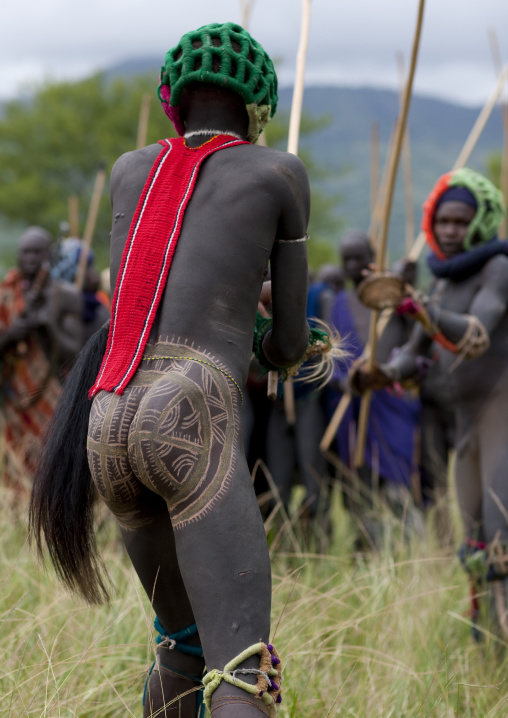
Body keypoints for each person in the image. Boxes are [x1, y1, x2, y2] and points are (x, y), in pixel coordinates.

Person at [30, 23, 327, 717]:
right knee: (239, 665)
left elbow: (135, 295)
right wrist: (285, 340)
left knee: (179, 645)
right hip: (189, 410)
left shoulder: (130, 171)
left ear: (174, 99)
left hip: (107, 414)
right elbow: (284, 343)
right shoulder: (279, 172)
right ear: (256, 106)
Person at [356, 168, 508, 636]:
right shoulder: (440, 283)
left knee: (502, 537)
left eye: (461, 222)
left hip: (501, 418)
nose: (449, 230)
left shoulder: (497, 267)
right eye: (443, 221)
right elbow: (417, 350)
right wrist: (381, 373)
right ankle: (486, 635)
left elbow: (475, 334)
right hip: (467, 425)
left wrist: (422, 307)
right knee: (475, 537)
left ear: (483, 220)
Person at [0, 226, 82, 490]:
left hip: (53, 393)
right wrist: (11, 335)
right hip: (13, 397)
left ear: (49, 255)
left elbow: (78, 352)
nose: (31, 258)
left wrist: (48, 328)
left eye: (37, 252)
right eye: (26, 251)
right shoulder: (5, 296)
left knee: (54, 462)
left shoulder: (65, 295)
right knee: (15, 467)